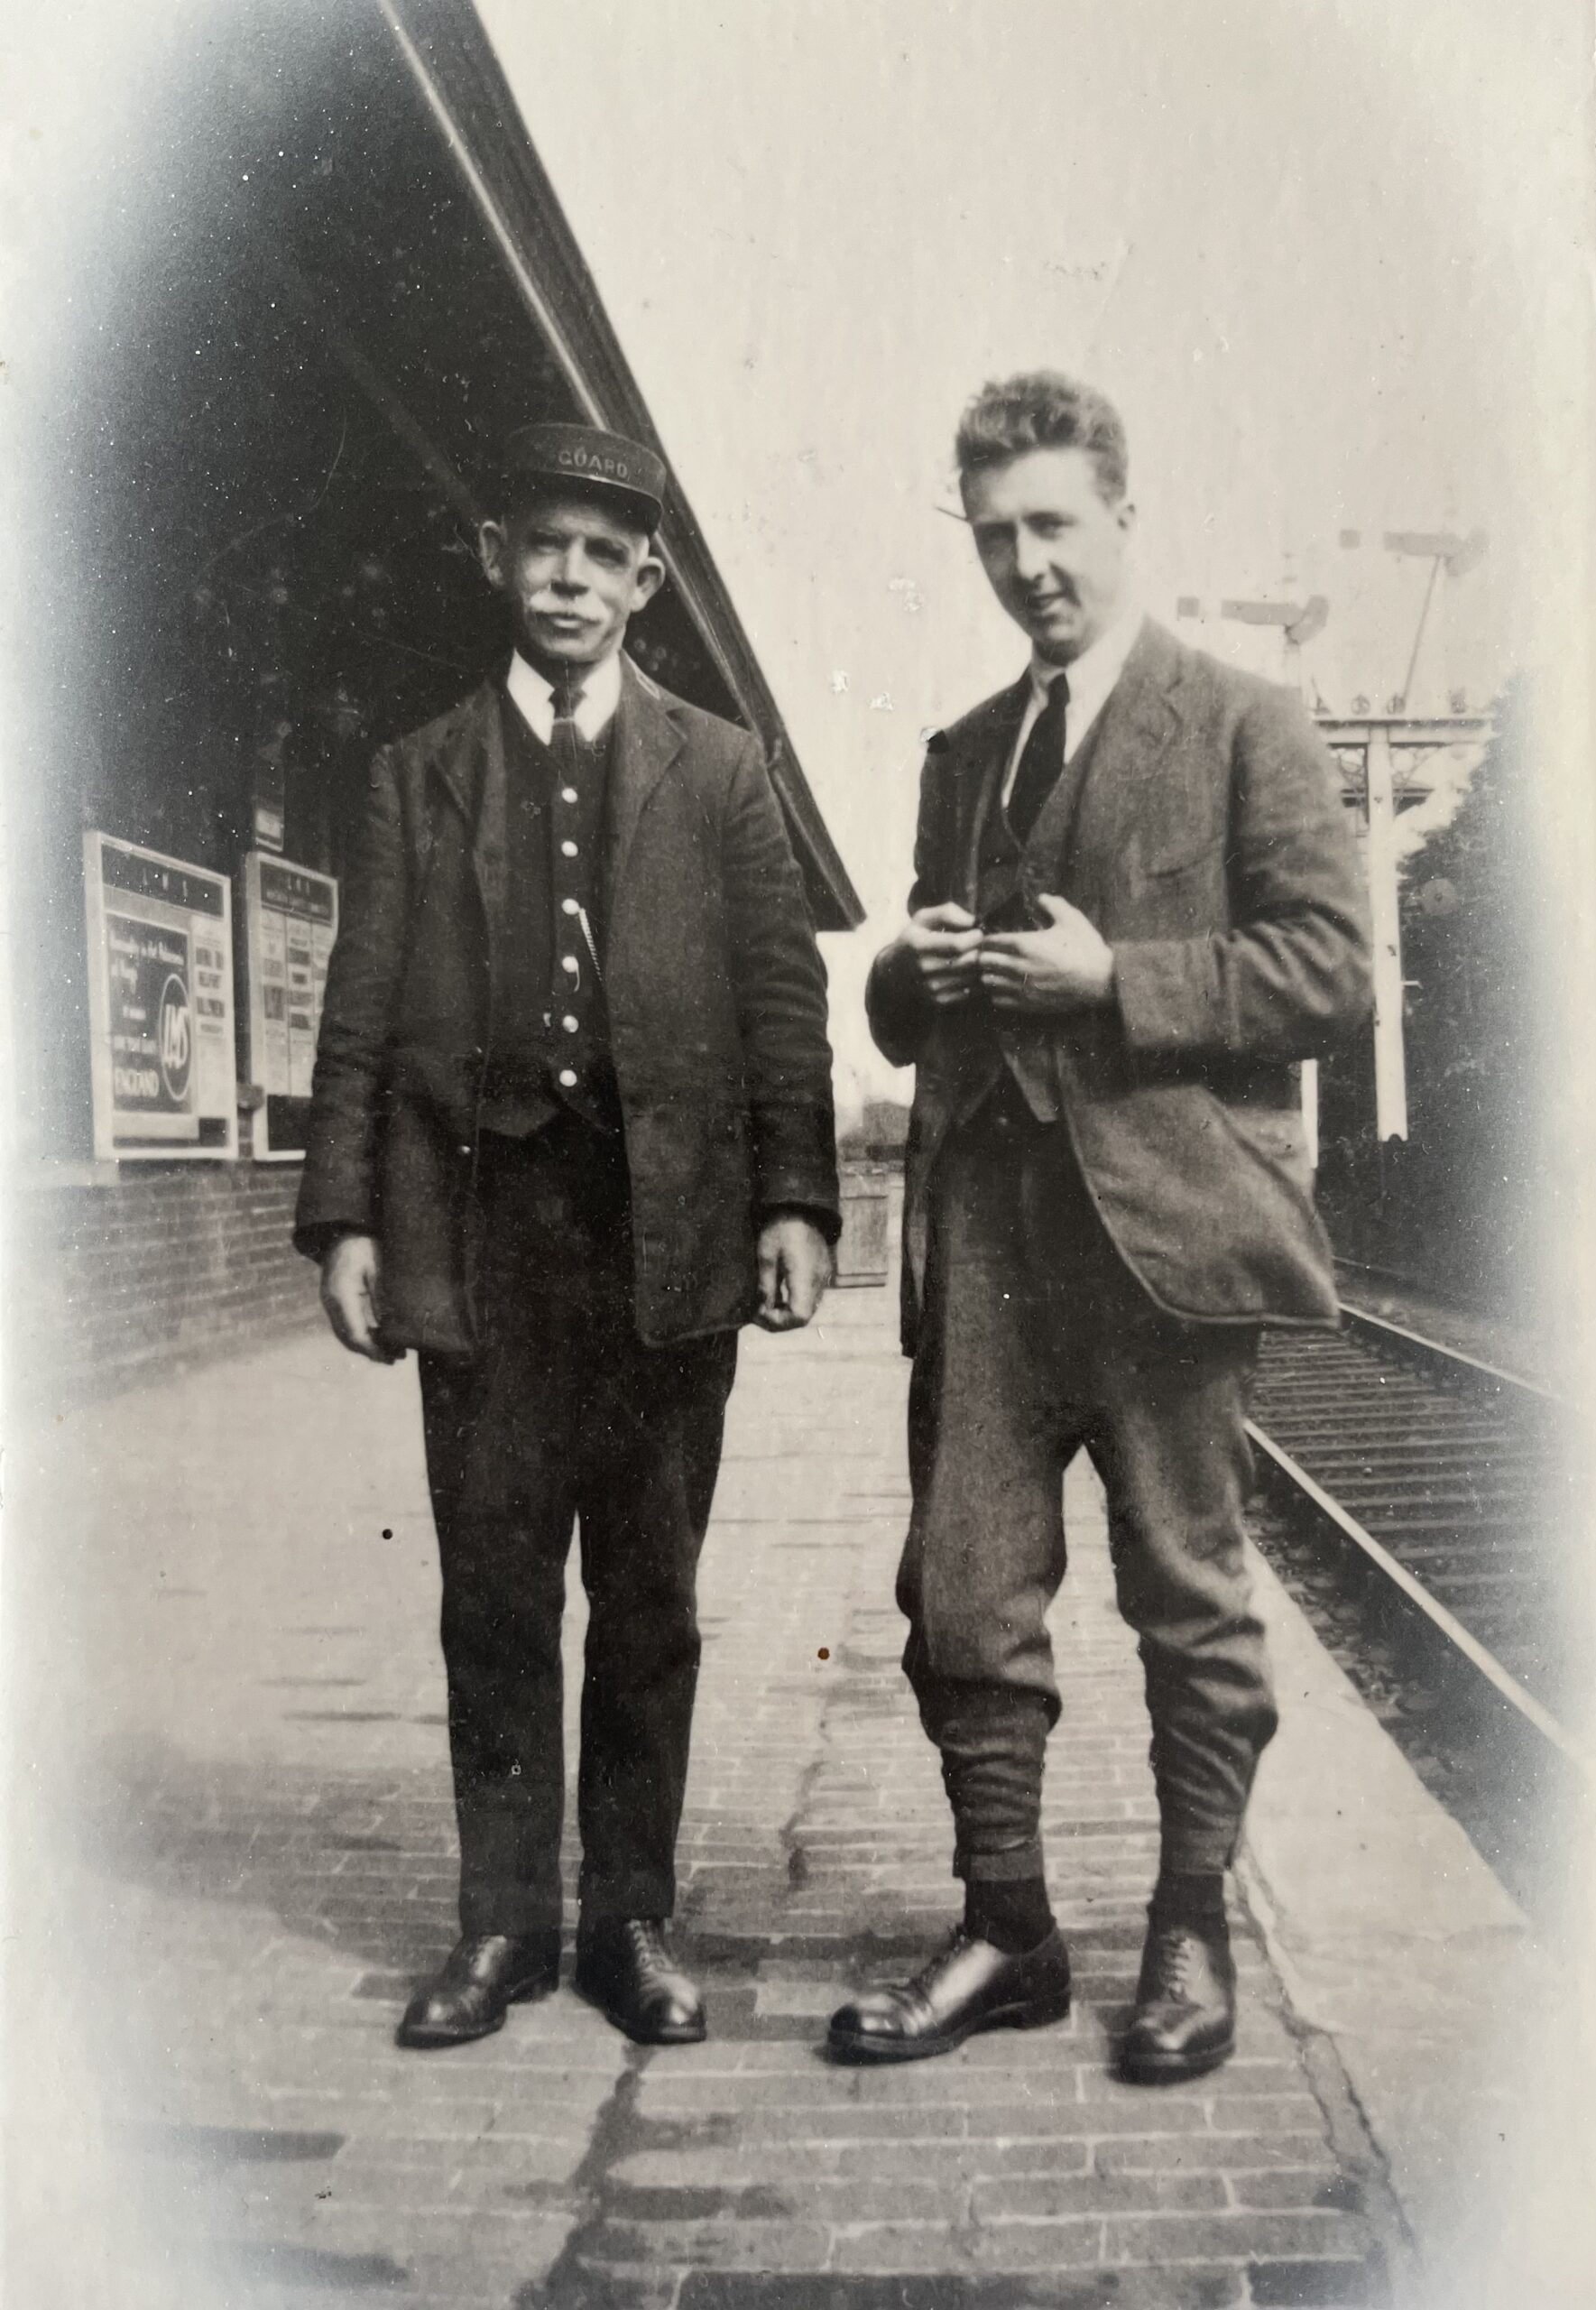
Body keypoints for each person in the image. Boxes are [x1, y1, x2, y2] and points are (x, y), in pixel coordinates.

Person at [829, 373, 1370, 2081]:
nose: (1026, 565)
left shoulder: (1242, 720)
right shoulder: (959, 756)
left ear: (1122, 517)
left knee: (1186, 1598)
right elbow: (910, 1016)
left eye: (1053, 525)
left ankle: (1190, 1936)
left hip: (1164, 1241)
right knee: (962, 1600)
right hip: (987, 1241)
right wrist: (913, 977)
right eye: (994, 535)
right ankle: (1009, 1930)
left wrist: (1110, 979)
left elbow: (1329, 973)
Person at [296, 421, 839, 2051]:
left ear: (647, 581)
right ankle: (502, 1926)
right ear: (493, 560)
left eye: (604, 556)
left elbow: (781, 1009)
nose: (570, 579)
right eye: (543, 546)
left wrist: (795, 1200)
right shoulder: (418, 772)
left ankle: (631, 1924)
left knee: (652, 1597)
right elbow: (360, 1009)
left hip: (662, 1236)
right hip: (480, 1237)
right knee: (494, 1587)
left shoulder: (722, 767)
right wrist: (344, 1219)